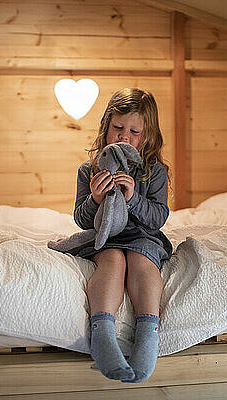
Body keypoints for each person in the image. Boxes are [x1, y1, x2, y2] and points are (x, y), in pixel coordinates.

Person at [72, 88, 172, 383]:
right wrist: (95, 199)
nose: (124, 137)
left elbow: (158, 217)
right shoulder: (87, 171)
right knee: (113, 261)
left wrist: (133, 200)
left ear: (148, 136)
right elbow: (81, 219)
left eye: (134, 131)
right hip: (107, 237)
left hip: (143, 237)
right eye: (118, 127)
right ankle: (102, 335)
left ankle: (147, 339)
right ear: (106, 128)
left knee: (141, 262)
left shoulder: (154, 172)